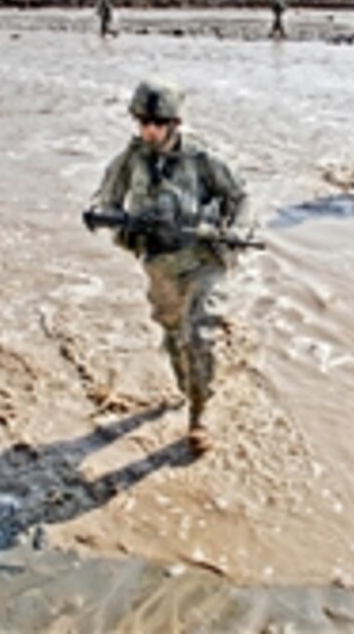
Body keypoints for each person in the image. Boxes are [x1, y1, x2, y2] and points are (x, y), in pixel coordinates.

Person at [89, 78, 248, 453]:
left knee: (200, 335)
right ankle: (186, 388)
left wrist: (238, 228)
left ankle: (199, 413)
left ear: (174, 123)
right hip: (160, 264)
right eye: (143, 122)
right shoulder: (130, 159)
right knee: (174, 335)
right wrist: (114, 218)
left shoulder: (202, 158)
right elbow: (107, 199)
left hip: (203, 259)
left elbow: (240, 196)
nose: (149, 130)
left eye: (157, 123)